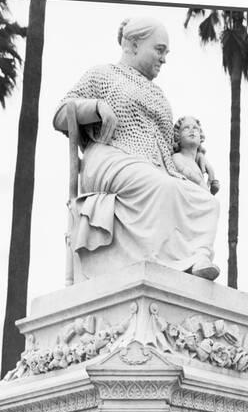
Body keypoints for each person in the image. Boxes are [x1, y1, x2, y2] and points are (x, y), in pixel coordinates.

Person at [53, 16, 220, 282]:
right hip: (111, 156)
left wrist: (198, 156)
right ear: (132, 44)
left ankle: (196, 259)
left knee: (207, 202)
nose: (164, 58)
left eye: (166, 52)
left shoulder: (159, 94)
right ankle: (168, 263)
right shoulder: (103, 74)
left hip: (156, 167)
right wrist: (95, 107)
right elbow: (62, 114)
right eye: (159, 49)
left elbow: (170, 149)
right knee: (162, 187)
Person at [172, 116, 220, 196]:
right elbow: (184, 172)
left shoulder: (197, 164)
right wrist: (203, 185)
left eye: (195, 128)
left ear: (201, 137)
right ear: (178, 137)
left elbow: (202, 194)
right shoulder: (178, 157)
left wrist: (212, 192)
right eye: (186, 128)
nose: (192, 130)